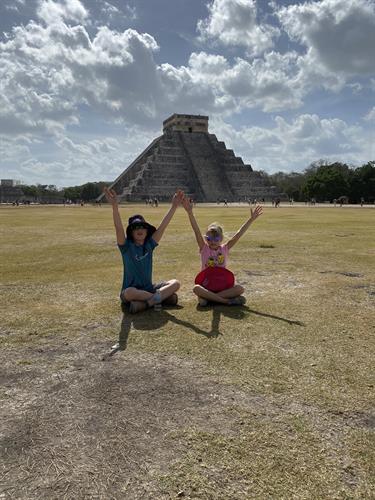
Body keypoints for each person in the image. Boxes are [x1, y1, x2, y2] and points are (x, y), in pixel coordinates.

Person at [104, 187, 183, 313]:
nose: (139, 230)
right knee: (129, 293)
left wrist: (173, 207)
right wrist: (114, 207)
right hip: (132, 291)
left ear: (147, 231)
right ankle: (160, 299)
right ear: (131, 232)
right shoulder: (126, 247)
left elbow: (163, 227)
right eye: (135, 228)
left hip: (148, 289)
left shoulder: (149, 245)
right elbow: (118, 228)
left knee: (176, 283)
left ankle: (146, 304)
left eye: (142, 227)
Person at [182, 196, 263, 306]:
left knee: (240, 289)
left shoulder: (225, 248)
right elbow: (196, 230)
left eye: (216, 239)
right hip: (207, 284)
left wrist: (251, 219)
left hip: (222, 284)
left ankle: (208, 298)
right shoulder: (204, 248)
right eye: (209, 239)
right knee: (196, 288)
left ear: (221, 239)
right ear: (206, 239)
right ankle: (225, 301)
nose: (213, 242)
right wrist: (190, 213)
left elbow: (238, 234)